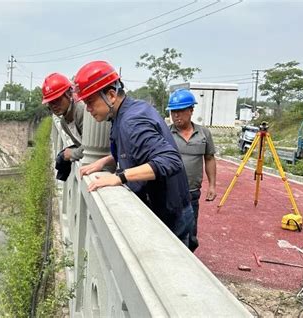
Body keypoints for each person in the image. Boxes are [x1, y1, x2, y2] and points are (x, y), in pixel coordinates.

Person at [75, 61, 193, 247]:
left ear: (111, 95)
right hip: (175, 204)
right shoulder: (129, 109)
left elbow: (170, 160)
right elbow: (136, 149)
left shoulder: (132, 121)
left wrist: (120, 177)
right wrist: (105, 161)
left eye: (90, 102)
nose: (88, 109)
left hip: (170, 213)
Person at [168, 88, 217, 252]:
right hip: (169, 192)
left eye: (180, 111)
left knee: (191, 234)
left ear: (191, 110)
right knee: (169, 230)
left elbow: (209, 158)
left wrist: (212, 185)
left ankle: (187, 259)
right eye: (173, 111)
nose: (176, 115)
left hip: (192, 193)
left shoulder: (204, 134)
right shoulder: (166, 133)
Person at [42, 73, 85, 180]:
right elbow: (80, 144)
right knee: (61, 158)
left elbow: (90, 148)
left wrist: (73, 153)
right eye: (51, 103)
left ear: (69, 94)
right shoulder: (64, 122)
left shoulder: (81, 111)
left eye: (57, 100)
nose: (54, 106)